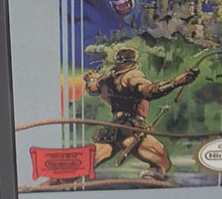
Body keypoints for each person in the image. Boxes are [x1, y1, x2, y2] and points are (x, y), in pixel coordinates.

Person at [84, 48, 198, 181]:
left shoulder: (105, 79)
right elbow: (150, 91)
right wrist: (177, 81)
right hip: (130, 129)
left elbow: (92, 88)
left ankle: (71, 175)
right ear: (133, 61)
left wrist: (90, 80)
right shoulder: (132, 76)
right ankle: (151, 178)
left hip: (114, 129)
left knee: (90, 161)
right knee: (162, 162)